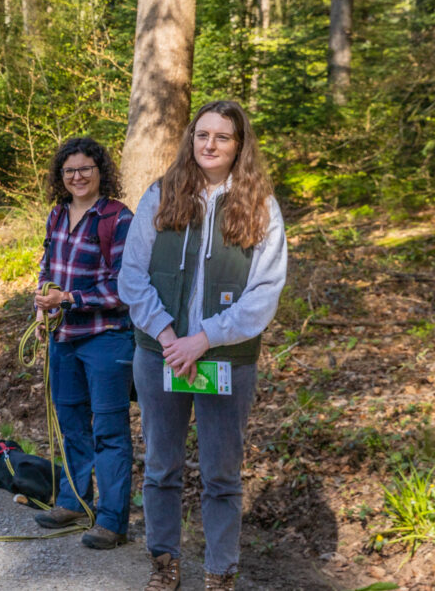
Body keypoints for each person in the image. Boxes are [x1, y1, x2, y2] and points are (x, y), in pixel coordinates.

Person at [117, 100, 287, 591]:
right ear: (191, 140)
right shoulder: (162, 194)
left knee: (221, 475)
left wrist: (204, 339)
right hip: (160, 355)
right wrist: (171, 338)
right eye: (202, 135)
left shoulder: (260, 206)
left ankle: (219, 573)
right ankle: (164, 563)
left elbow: (263, 292)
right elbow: (133, 276)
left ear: (239, 146)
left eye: (223, 137)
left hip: (226, 360)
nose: (210, 145)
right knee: (161, 467)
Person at [31, 137, 136, 551]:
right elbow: (47, 268)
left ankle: (112, 521)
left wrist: (70, 299)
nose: (77, 176)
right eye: (69, 170)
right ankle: (74, 501)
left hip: (106, 341)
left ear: (100, 171)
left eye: (85, 169)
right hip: (63, 338)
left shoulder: (118, 217)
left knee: (110, 431)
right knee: (71, 424)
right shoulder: (56, 215)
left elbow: (125, 287)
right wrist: (42, 309)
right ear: (61, 176)